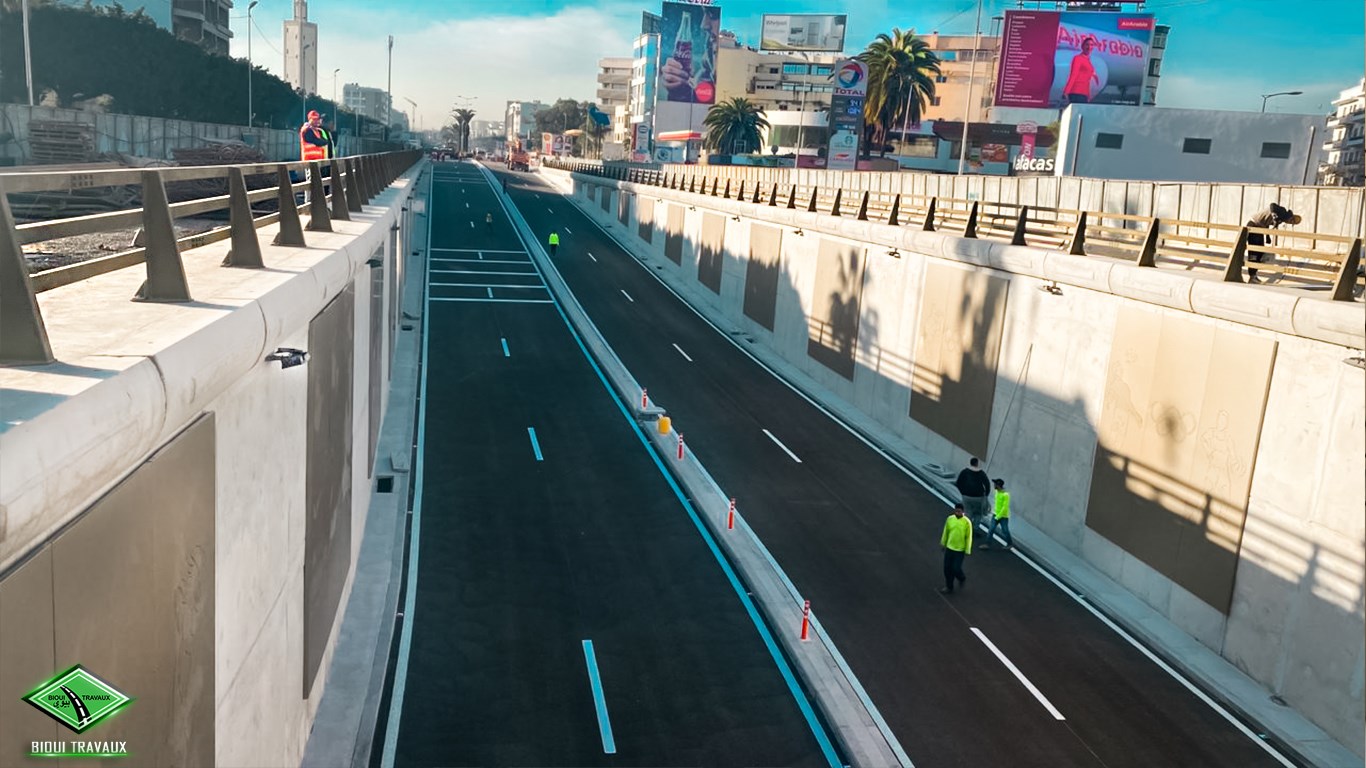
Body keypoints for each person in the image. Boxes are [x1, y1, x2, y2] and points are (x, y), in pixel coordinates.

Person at [1244, 203, 1300, 283]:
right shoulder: (1282, 212)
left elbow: (1266, 223)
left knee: (1260, 251)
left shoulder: (1280, 220)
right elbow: (1272, 205)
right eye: (1291, 220)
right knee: (1254, 252)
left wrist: (1267, 236)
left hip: (1259, 228)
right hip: (1253, 225)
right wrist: (1274, 215)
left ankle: (1254, 275)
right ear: (1290, 216)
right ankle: (1252, 276)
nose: (1289, 222)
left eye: (1291, 223)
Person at [940, 503, 973, 594]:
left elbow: (968, 536)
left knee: (956, 568)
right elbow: (946, 531)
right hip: (950, 548)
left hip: (960, 550)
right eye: (956, 511)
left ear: (963, 512)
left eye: (959, 511)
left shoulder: (967, 522)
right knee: (947, 568)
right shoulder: (950, 519)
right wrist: (943, 543)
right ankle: (949, 586)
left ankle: (961, 577)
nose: (957, 513)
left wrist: (967, 549)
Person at [954, 457, 992, 531]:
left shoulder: (965, 472)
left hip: (966, 496)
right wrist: (986, 495)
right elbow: (987, 484)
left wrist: (963, 492)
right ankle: (975, 528)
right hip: (978, 497)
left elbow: (958, 482)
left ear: (970, 463)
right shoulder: (981, 473)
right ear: (977, 463)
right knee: (978, 513)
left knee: (968, 512)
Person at [1062, 37, 1100, 105]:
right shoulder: (1078, 58)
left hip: (1084, 94)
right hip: (1076, 92)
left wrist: (1088, 95)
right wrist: (1066, 91)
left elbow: (1087, 80)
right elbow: (1073, 75)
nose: (1089, 47)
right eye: (1087, 44)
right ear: (1082, 46)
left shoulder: (1088, 61)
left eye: (1091, 45)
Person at [982, 478, 1012, 550]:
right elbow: (996, 503)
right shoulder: (996, 492)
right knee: (991, 529)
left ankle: (1010, 543)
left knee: (1005, 530)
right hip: (995, 514)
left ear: (998, 485)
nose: (994, 485)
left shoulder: (1005, 495)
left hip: (1003, 516)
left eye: (995, 484)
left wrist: (998, 517)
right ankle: (987, 544)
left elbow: (1004, 507)